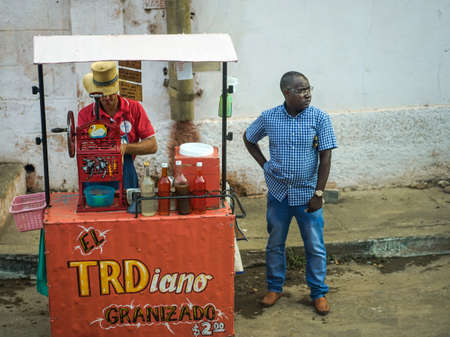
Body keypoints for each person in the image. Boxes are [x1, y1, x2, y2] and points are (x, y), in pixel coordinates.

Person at [243, 71, 337, 315]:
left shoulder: (320, 118)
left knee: (315, 246)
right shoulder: (270, 117)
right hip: (279, 194)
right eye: (302, 89)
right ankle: (275, 288)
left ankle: (318, 292)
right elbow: (249, 138)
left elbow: (325, 157)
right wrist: (264, 164)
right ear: (287, 92)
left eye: (309, 89)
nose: (308, 94)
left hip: (307, 195)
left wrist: (319, 193)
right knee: (275, 243)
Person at [79, 61, 158, 190]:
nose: (108, 97)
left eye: (111, 92)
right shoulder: (86, 115)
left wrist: (124, 148)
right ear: (95, 93)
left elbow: (152, 145)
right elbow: (83, 152)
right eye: (103, 94)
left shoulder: (134, 108)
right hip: (95, 176)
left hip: (126, 175)